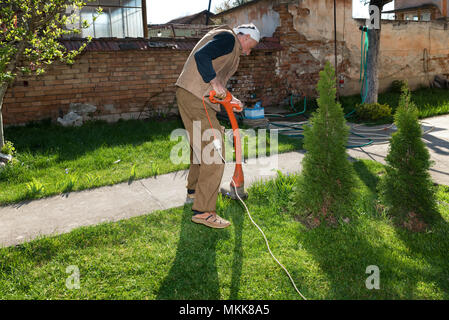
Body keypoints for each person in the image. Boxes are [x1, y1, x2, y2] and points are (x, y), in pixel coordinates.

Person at [175, 23, 260, 229]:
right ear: (246, 36)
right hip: (197, 97)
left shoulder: (226, 42)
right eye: (251, 47)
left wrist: (231, 99)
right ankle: (204, 211)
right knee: (214, 152)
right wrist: (214, 83)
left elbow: (217, 82)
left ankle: (194, 192)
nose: (248, 53)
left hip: (190, 94)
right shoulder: (228, 38)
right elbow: (202, 57)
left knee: (201, 149)